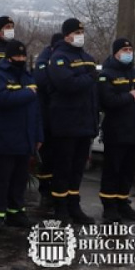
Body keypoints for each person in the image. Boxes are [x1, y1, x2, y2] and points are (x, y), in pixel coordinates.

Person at [0, 40, 42, 231]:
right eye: (17, 56)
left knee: (19, 180)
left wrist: (37, 136)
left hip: (24, 139)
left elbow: (36, 111)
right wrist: (27, 93)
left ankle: (16, 212)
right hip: (4, 138)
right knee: (1, 180)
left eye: (23, 56)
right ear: (8, 57)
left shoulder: (27, 76)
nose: (21, 59)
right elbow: (0, 99)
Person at [47, 18, 97, 224]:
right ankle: (59, 207)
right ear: (66, 35)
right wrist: (89, 77)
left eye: (81, 32)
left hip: (85, 123)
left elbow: (92, 90)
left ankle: (73, 205)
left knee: (78, 168)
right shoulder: (58, 57)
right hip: (66, 122)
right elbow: (67, 84)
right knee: (63, 167)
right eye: (75, 32)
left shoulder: (87, 57)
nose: (79, 35)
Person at [97, 38, 135, 222]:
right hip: (117, 131)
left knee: (128, 170)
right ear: (116, 53)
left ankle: (122, 203)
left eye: (130, 49)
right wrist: (129, 96)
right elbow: (108, 102)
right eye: (124, 49)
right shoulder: (107, 74)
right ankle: (109, 206)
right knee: (113, 169)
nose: (128, 52)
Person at [33, 32, 64, 210]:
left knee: (61, 158)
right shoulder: (44, 61)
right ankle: (45, 192)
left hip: (62, 117)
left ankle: (58, 191)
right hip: (47, 116)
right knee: (47, 157)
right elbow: (43, 82)